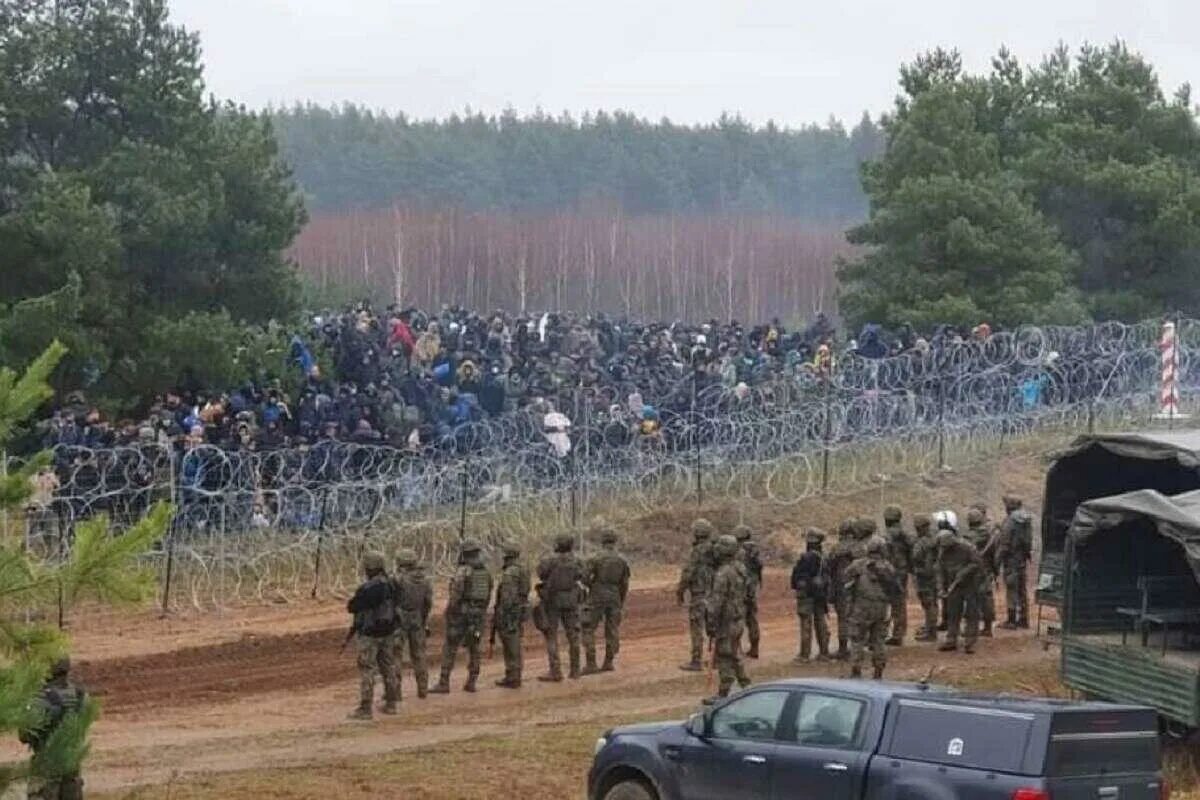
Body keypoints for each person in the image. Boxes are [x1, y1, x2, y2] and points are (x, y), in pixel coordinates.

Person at [431, 539, 492, 694]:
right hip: (478, 614)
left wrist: (451, 612)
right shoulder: (485, 572)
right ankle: (472, 681)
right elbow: (488, 594)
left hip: (461, 615)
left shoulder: (463, 571)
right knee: (474, 647)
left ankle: (444, 682)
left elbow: (455, 596)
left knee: (450, 647)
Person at [20, 657, 86, 800]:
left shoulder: (41, 698)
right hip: (72, 762)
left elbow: (25, 736)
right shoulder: (78, 694)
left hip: (46, 761)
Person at [346, 552, 399, 719]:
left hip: (370, 634)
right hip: (388, 632)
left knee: (367, 669)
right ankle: (391, 703)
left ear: (369, 568)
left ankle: (365, 708)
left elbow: (353, 607)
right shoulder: (392, 584)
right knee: (388, 668)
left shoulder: (368, 588)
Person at [844, 537, 899, 679]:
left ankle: (856, 670)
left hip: (861, 607)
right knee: (879, 640)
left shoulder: (858, 565)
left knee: (857, 639)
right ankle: (878, 672)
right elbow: (895, 589)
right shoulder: (888, 567)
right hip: (881, 608)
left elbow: (846, 578)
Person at [706, 535, 752, 701]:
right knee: (734, 652)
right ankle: (746, 685)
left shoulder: (723, 573)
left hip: (726, 621)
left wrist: (711, 623)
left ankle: (723, 692)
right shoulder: (740, 568)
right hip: (738, 616)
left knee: (725, 655)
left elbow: (716, 602)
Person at [536, 533, 586, 682]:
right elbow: (581, 575)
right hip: (571, 600)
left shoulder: (550, 561)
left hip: (553, 601)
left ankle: (555, 670)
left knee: (551, 636)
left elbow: (540, 573)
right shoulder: (576, 561)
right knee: (573, 636)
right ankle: (575, 670)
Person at [582, 525, 630, 675]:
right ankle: (608, 662)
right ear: (615, 541)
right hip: (615, 595)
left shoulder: (595, 558)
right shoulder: (622, 560)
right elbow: (625, 583)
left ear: (602, 541)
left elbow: (584, 577)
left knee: (588, 627)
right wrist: (621, 599)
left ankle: (591, 664)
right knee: (612, 630)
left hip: (597, 594)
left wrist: (592, 586)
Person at [936, 515, 984, 655]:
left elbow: (977, 564)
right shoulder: (943, 550)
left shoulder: (967, 547)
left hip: (971, 584)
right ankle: (951, 640)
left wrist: (964, 572)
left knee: (972, 613)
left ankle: (970, 642)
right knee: (953, 612)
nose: (945, 549)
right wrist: (940, 587)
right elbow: (940, 569)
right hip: (953, 585)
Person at [392, 548, 433, 700]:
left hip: (400, 618)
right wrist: (423, 620)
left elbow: (392, 600)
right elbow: (428, 603)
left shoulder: (398, 579)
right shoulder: (425, 580)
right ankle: (423, 689)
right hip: (418, 618)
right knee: (419, 655)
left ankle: (395, 692)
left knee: (395, 655)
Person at [676, 519, 716, 671]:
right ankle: (716, 659)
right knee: (713, 627)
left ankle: (696, 660)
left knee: (696, 628)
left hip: (699, 595)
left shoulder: (697, 551)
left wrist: (680, 591)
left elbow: (688, 573)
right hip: (713, 594)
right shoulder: (715, 550)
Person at [493, 541, 531, 688]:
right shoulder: (523, 569)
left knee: (511, 644)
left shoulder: (510, 572)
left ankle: (513, 676)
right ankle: (514, 674)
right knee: (514, 642)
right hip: (520, 609)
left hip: (510, 611)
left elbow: (507, 596)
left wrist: (502, 613)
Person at [790, 527, 830, 662]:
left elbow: (796, 577)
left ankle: (804, 655)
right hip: (820, 594)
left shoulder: (805, 557)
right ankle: (824, 652)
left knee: (806, 624)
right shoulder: (824, 557)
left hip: (807, 594)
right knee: (821, 622)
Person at [824, 519, 857, 660]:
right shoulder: (860, 547)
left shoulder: (836, 548)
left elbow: (828, 568)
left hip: (841, 586)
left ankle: (843, 649)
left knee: (843, 618)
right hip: (858, 586)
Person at [998, 498, 1033, 629]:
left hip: (1011, 559)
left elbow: (1005, 543)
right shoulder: (1026, 519)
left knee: (1011, 589)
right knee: (1022, 590)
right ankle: (1024, 619)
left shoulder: (1010, 520)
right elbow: (1028, 541)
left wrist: (998, 560)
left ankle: (1011, 620)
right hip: (1022, 559)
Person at [965, 506, 998, 638]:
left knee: (973, 599)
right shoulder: (988, 534)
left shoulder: (968, 536)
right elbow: (994, 554)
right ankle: (988, 627)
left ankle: (972, 628)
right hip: (986, 569)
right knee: (986, 598)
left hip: (973, 571)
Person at [882, 506, 913, 646]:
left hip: (887, 571)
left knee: (884, 602)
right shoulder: (906, 534)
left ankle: (882, 633)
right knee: (899, 603)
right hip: (902, 571)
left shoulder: (886, 535)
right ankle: (898, 634)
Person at [909, 514, 940, 641]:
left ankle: (931, 633)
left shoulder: (923, 543)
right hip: (933, 575)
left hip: (925, 577)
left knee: (929, 605)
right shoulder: (933, 538)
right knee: (932, 604)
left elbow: (919, 559)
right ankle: (930, 628)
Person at [735, 524, 763, 659]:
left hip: (741, 589)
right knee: (752, 620)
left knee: (737, 619)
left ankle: (737, 650)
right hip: (752, 589)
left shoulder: (737, 551)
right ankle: (755, 648)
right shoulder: (754, 550)